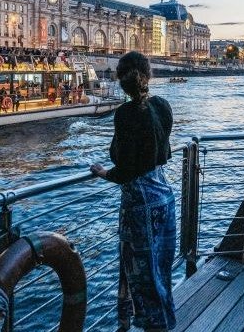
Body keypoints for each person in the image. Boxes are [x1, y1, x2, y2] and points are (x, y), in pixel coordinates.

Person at [90, 52, 176, 331]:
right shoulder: (162, 106)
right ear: (148, 75)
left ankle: (148, 325)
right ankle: (165, 322)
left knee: (140, 275)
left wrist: (104, 173)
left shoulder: (125, 114)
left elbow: (125, 166)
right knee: (160, 270)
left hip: (139, 203)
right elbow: (162, 152)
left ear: (122, 80)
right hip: (164, 195)